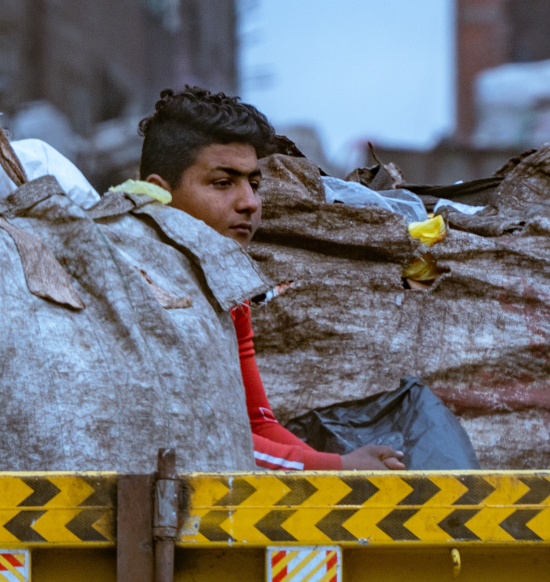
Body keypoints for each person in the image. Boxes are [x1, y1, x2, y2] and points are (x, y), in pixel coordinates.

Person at [135, 86, 405, 473]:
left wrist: (337, 468)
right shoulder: (140, 286)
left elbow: (255, 423)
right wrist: (336, 469)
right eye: (223, 182)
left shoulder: (229, 287)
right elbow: (193, 437)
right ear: (158, 194)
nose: (250, 202)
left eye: (254, 183)